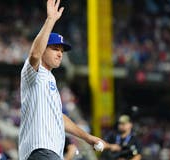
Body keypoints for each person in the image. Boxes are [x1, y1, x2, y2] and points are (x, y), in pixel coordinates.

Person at [19, 0, 107, 160]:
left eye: (61, 51)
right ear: (43, 49)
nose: (60, 53)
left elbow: (59, 117)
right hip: (40, 150)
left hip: (49, 152)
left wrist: (88, 138)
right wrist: (50, 20)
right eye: (54, 49)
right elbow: (34, 55)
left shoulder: (50, 79)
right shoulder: (33, 73)